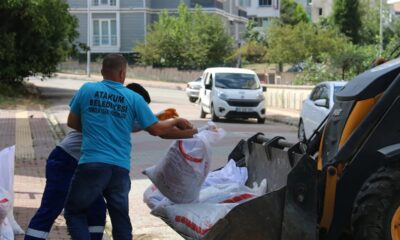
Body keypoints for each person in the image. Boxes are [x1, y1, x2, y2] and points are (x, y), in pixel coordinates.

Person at [64, 54, 197, 240]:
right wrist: (185, 127)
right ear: (122, 73)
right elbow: (156, 129)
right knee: (120, 219)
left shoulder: (87, 89)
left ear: (102, 71)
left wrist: (97, 126)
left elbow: (72, 122)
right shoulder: (134, 98)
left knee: (74, 211)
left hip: (92, 165)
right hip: (119, 169)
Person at [24, 83, 166, 240]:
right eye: (139, 107)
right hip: (65, 160)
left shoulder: (119, 112)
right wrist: (159, 120)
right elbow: (146, 126)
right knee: (52, 208)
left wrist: (160, 117)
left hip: (86, 167)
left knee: (97, 210)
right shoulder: (113, 113)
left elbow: (142, 125)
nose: (139, 112)